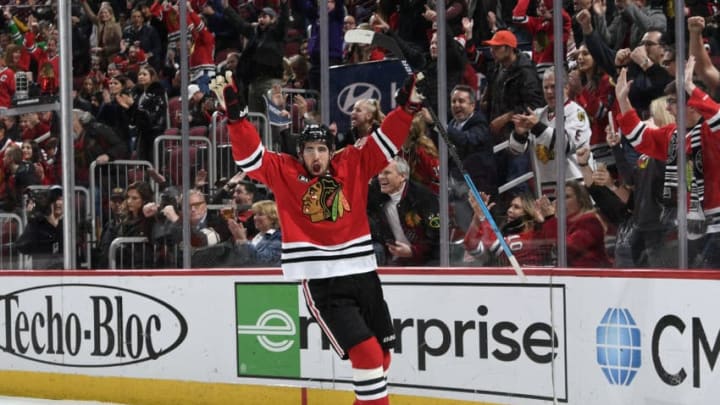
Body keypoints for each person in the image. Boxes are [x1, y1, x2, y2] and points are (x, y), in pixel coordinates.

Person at [215, 69, 425, 405]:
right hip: (325, 284)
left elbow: (386, 141)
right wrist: (238, 120)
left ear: (331, 151)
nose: (316, 156)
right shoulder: (285, 172)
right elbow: (250, 158)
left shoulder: (352, 163)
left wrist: (406, 109)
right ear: (301, 153)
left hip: (364, 274)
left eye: (322, 150)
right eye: (310, 149)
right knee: (368, 358)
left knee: (381, 360)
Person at [615, 57, 720, 268]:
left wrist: (691, 86)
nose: (668, 108)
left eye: (672, 101)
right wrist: (623, 101)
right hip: (692, 225)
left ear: (691, 105)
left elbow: (717, 116)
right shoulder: (673, 135)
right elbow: (639, 138)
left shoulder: (711, 131)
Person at [509, 67, 593, 197]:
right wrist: (519, 134)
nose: (549, 92)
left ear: (566, 87)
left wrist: (538, 127)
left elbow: (565, 145)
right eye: (545, 87)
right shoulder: (538, 114)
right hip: (546, 190)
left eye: (553, 87)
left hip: (576, 189)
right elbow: (516, 150)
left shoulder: (577, 113)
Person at [367, 156, 440, 266]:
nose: (380, 177)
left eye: (387, 173)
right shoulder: (375, 193)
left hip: (427, 261)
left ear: (402, 176)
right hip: (392, 260)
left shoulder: (423, 197)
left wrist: (413, 251)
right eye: (379, 173)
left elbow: (438, 238)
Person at [537, 180, 612, 267]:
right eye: (558, 197)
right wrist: (539, 221)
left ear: (580, 199)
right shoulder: (560, 223)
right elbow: (541, 245)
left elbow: (566, 248)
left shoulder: (590, 221)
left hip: (588, 276)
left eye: (566, 197)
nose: (560, 201)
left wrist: (550, 218)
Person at [463, 191, 550, 266]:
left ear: (529, 212)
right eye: (510, 206)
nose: (509, 210)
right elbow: (471, 246)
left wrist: (482, 215)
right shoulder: (507, 235)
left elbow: (495, 246)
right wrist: (477, 217)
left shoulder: (532, 237)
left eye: (516, 207)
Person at [227, 199, 282, 266]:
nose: (255, 218)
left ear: (273, 218)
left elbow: (263, 262)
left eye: (260, 214)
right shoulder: (258, 236)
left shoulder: (278, 238)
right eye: (255, 214)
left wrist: (243, 241)